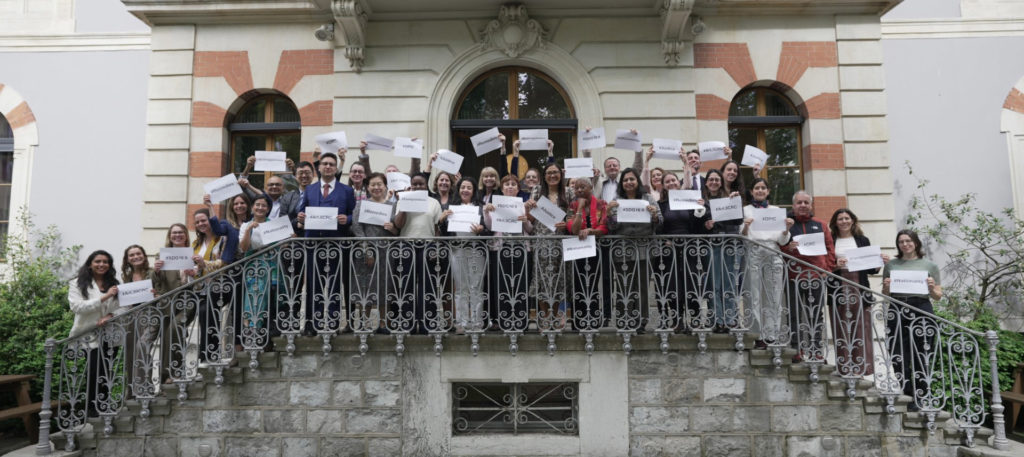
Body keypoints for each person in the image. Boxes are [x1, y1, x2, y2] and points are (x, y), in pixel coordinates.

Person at [296, 151, 356, 336]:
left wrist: (348, 219)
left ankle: (332, 322)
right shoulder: (310, 189)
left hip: (337, 243)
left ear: (336, 168)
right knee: (313, 284)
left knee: (335, 284)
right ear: (319, 167)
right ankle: (312, 324)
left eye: (331, 164)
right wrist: (301, 217)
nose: (328, 166)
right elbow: (301, 214)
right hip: (313, 244)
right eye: (325, 164)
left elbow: (355, 215)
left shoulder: (347, 190)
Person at [882, 229, 942, 410]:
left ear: (916, 243)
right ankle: (907, 392)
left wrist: (931, 288)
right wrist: (886, 287)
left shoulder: (930, 265)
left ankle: (920, 395)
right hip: (897, 307)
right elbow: (886, 294)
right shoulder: (891, 265)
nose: (905, 244)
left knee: (921, 353)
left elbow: (938, 295)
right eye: (901, 241)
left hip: (921, 307)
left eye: (908, 241)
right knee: (897, 353)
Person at [830, 208, 887, 377]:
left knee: (861, 326)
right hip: (838, 285)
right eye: (840, 219)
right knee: (841, 326)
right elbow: (824, 265)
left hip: (859, 284)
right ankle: (844, 367)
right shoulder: (830, 239)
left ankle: (861, 368)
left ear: (853, 220)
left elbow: (871, 268)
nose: (844, 221)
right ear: (835, 223)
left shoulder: (862, 240)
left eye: (847, 218)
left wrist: (879, 262)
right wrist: (835, 266)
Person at [781, 190, 837, 362]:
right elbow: (779, 246)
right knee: (794, 314)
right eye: (799, 202)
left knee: (816, 315)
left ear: (811, 205)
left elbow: (830, 249)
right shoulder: (787, 225)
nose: (803, 205)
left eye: (806, 202)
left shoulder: (821, 224)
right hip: (793, 276)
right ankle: (796, 349)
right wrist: (788, 248)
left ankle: (815, 350)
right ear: (793, 205)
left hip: (816, 276)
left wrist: (826, 270)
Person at [606, 168, 662, 333]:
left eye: (632, 179)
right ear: (622, 183)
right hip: (623, 250)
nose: (629, 182)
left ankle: (641, 322)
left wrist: (654, 215)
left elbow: (660, 221)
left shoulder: (648, 198)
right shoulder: (616, 200)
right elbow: (612, 227)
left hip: (645, 249)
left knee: (642, 286)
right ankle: (624, 320)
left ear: (637, 181)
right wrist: (609, 213)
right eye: (625, 180)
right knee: (624, 286)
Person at [741, 178, 793, 348]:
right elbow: (741, 236)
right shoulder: (746, 210)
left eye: (763, 188)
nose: (760, 190)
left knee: (774, 294)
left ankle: (772, 334)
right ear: (751, 191)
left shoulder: (776, 210)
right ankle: (756, 334)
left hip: (772, 250)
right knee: (753, 293)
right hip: (753, 249)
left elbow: (783, 240)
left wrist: (786, 229)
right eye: (757, 188)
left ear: (768, 191)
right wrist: (746, 226)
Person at [67, 250, 120, 417]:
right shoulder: (77, 283)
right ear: (90, 264)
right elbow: (77, 307)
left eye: (105, 262)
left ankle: (105, 405)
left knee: (106, 371)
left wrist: (110, 315)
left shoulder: (114, 283)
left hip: (110, 332)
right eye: (98, 261)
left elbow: (121, 306)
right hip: (88, 333)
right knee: (94, 369)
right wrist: (105, 297)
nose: (101, 264)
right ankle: (92, 408)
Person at [656, 172, 710, 332]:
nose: (671, 183)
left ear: (678, 183)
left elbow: (698, 224)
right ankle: (677, 320)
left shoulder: (690, 200)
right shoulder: (661, 204)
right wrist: (664, 240)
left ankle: (695, 319)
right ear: (663, 186)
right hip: (669, 250)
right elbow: (657, 227)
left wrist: (700, 208)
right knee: (673, 285)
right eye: (667, 181)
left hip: (689, 248)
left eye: (673, 180)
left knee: (691, 282)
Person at [392, 172, 443, 334]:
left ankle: (428, 323)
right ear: (410, 186)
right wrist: (405, 205)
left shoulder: (434, 202)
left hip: (428, 246)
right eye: (415, 184)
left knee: (428, 286)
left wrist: (436, 248)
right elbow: (398, 224)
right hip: (407, 246)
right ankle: (408, 323)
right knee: (407, 285)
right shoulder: (403, 200)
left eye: (421, 184)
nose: (418, 187)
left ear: (426, 186)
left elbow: (437, 228)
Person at [238, 194, 290, 349]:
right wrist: (248, 230)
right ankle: (253, 332)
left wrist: (289, 238)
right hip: (255, 268)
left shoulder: (273, 225)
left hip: (273, 267)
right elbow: (244, 248)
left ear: (268, 209)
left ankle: (267, 337)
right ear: (252, 207)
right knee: (255, 297)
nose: (260, 208)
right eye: (257, 205)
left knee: (272, 299)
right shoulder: (245, 225)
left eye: (264, 206)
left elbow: (282, 246)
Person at [484, 174, 533, 333]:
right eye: (507, 184)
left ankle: (521, 321)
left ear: (518, 189)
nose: (510, 186)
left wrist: (525, 220)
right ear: (502, 188)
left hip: (521, 248)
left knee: (521, 285)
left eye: (513, 184)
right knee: (502, 285)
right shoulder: (495, 205)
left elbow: (530, 229)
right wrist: (486, 212)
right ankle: (505, 321)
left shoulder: (523, 205)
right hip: (500, 248)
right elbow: (490, 226)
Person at [350, 172, 398, 335]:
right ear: (368, 187)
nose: (376, 187)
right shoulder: (361, 205)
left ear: (385, 186)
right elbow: (357, 228)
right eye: (373, 185)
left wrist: (393, 229)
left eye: (379, 184)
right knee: (365, 287)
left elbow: (398, 229)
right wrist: (367, 251)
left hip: (387, 252)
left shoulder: (392, 206)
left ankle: (383, 323)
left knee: (385, 287)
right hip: (366, 252)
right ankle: (364, 322)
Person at [525, 162, 570, 330]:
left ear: (561, 175)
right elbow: (531, 219)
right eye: (549, 173)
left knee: (558, 279)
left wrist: (567, 224)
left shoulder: (568, 192)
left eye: (555, 172)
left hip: (560, 241)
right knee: (541, 279)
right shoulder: (537, 191)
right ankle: (545, 315)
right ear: (544, 176)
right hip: (541, 241)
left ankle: (555, 314)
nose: (552, 175)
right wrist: (528, 208)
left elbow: (571, 215)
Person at [443, 176, 489, 332]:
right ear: (458, 189)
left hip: (476, 251)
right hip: (457, 250)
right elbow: (445, 232)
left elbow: (489, 230)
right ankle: (462, 322)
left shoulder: (480, 207)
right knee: (460, 288)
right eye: (463, 187)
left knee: (476, 286)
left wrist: (481, 229)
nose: (465, 190)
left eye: (469, 187)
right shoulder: (451, 207)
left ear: (474, 190)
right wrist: (442, 220)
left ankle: (476, 322)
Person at [119, 245, 166, 396]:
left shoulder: (153, 272)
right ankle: (132, 390)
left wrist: (157, 295)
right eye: (131, 255)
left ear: (144, 256)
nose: (135, 257)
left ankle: (145, 388)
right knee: (131, 352)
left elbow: (164, 293)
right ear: (127, 259)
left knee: (142, 347)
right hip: (132, 317)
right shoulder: (126, 277)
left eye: (138, 254)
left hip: (152, 315)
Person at [702, 169, 744, 332]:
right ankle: (717, 319)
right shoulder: (702, 201)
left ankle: (730, 318)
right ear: (706, 182)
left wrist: (736, 202)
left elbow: (738, 220)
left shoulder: (729, 199)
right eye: (711, 179)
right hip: (712, 244)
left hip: (729, 244)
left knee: (729, 282)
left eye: (717, 179)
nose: (714, 182)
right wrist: (706, 225)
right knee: (714, 283)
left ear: (721, 182)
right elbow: (697, 223)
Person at [566, 178, 608, 331]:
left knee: (592, 285)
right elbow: (573, 229)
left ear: (591, 188)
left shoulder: (602, 204)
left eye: (582, 187)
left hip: (596, 250)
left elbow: (604, 226)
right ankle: (578, 322)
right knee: (578, 284)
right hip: (578, 250)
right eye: (576, 188)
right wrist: (580, 208)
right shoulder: (573, 205)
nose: (579, 190)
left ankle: (593, 320)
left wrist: (591, 231)